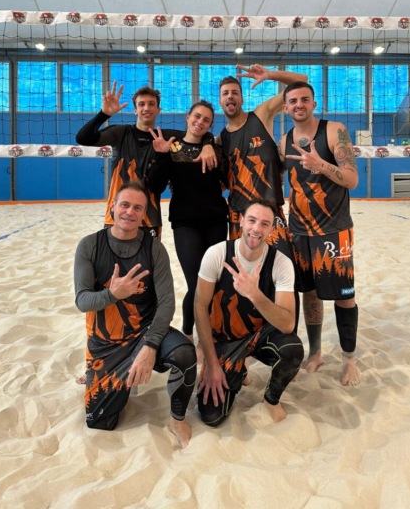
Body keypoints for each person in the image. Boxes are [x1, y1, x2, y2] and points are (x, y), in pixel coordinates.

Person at [74, 181, 196, 447]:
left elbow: (167, 303)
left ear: (144, 215)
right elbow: (82, 301)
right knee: (100, 423)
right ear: (113, 207)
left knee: (185, 354)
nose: (130, 212)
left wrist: (150, 346)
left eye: (137, 208)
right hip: (106, 343)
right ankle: (112, 375)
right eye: (125, 205)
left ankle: (177, 419)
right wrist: (112, 294)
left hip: (144, 333)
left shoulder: (154, 249)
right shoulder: (90, 245)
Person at [194, 199, 304, 427]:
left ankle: (271, 400)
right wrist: (211, 364)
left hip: (257, 336)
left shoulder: (281, 263)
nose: (256, 229)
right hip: (224, 339)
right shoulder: (217, 254)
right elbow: (200, 306)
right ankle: (238, 368)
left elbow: (287, 324)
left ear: (271, 229)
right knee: (211, 416)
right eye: (252, 220)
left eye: (264, 224)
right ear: (241, 221)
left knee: (292, 349)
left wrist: (254, 294)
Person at [279, 82, 360, 386]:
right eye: (293, 101)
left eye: (304, 99)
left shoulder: (334, 131)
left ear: (314, 103)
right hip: (299, 230)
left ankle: (349, 359)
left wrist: (321, 164)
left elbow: (352, 179)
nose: (298, 104)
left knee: (343, 296)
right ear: (285, 107)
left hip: (334, 229)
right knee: (309, 293)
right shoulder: (284, 141)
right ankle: (316, 352)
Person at [76, 81, 216, 236]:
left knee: (149, 253)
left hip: (149, 218)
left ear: (158, 110)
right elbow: (83, 138)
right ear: (135, 110)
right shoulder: (121, 133)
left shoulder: (165, 137)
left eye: (151, 104)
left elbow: (198, 132)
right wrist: (104, 114)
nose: (146, 108)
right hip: (117, 214)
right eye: (141, 104)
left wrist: (207, 144)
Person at [147, 100, 228, 345]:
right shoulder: (172, 148)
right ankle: (188, 333)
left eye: (206, 120)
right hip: (185, 223)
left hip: (215, 221)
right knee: (196, 284)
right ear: (187, 117)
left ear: (210, 125)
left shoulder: (214, 149)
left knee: (214, 282)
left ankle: (210, 335)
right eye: (197, 116)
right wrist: (161, 156)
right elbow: (155, 186)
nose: (200, 122)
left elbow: (227, 181)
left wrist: (210, 144)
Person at [218, 64, 307, 261]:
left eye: (235, 92)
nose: (230, 96)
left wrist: (270, 74)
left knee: (283, 269)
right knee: (244, 274)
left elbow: (301, 81)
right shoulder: (220, 141)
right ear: (220, 101)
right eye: (225, 93)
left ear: (242, 99)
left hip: (269, 211)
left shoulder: (261, 115)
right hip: (239, 216)